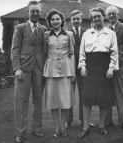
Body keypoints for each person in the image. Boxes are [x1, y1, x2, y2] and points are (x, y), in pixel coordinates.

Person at [77, 7, 118, 138]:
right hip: (90, 66)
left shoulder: (111, 33)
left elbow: (114, 52)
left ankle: (101, 125)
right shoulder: (86, 34)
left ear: (103, 16)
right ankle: (85, 127)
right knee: (87, 98)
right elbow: (82, 52)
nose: (96, 19)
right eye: (94, 17)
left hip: (104, 66)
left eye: (98, 16)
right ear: (91, 19)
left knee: (103, 98)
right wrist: (82, 66)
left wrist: (111, 68)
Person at [10, 1, 47, 143]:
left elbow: (45, 49)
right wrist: (17, 68)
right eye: (33, 11)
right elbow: (14, 50)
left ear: (40, 13)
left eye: (38, 11)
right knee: (21, 100)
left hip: (39, 68)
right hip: (23, 69)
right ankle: (20, 132)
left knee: (38, 100)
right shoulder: (20, 28)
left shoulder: (44, 29)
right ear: (28, 12)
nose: (36, 13)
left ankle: (37, 129)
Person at [43, 9, 76, 139]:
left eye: (57, 19)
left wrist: (73, 71)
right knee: (53, 100)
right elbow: (44, 52)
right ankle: (56, 127)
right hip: (51, 70)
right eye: (53, 19)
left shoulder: (69, 34)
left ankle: (63, 127)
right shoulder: (46, 35)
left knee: (65, 100)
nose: (55, 21)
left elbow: (72, 53)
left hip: (66, 69)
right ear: (50, 22)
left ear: (62, 21)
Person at [105, 6, 123, 130]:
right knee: (106, 94)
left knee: (121, 94)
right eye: (109, 14)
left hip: (120, 66)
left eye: (113, 14)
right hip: (106, 68)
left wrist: (122, 61)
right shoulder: (105, 30)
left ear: (118, 15)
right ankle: (108, 121)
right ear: (107, 16)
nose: (111, 16)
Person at [66, 10, 94, 129]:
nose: (76, 21)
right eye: (74, 19)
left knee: (84, 94)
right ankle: (68, 121)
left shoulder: (87, 33)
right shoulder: (67, 34)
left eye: (78, 19)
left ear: (81, 20)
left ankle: (84, 120)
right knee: (69, 95)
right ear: (71, 20)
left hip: (83, 68)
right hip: (70, 68)